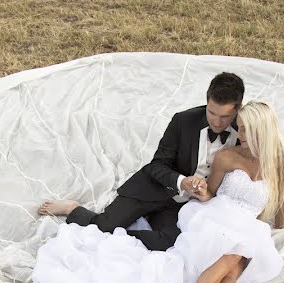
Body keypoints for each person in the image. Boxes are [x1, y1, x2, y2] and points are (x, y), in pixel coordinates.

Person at [31, 101, 284, 283]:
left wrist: (282, 224)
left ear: (261, 131)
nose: (238, 133)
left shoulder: (282, 160)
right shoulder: (227, 155)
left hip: (246, 224)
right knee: (235, 255)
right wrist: (197, 188)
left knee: (230, 275)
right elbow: (211, 194)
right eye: (240, 126)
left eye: (244, 129)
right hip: (215, 216)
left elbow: (280, 194)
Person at [38, 72, 246, 251]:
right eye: (211, 113)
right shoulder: (183, 121)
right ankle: (72, 209)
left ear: (238, 109)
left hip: (182, 207)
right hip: (152, 188)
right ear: (206, 100)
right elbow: (157, 165)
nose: (217, 122)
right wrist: (182, 181)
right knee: (103, 226)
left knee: (170, 244)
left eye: (225, 116)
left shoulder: (245, 130)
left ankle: (125, 233)